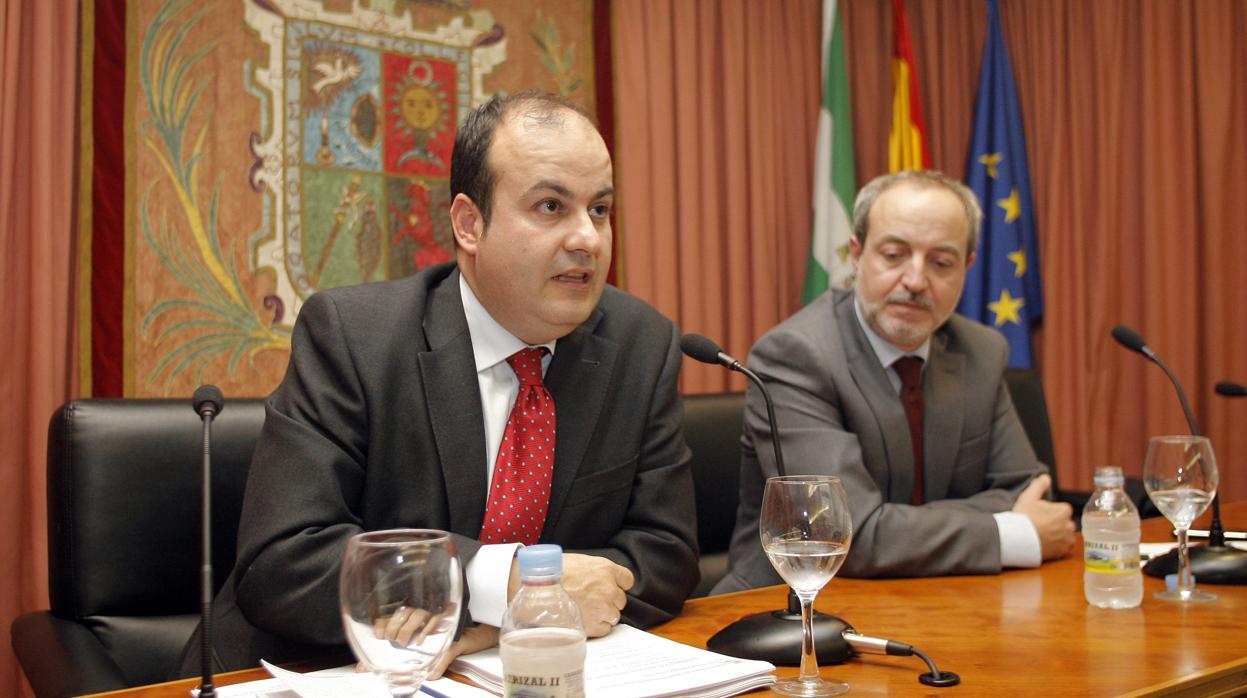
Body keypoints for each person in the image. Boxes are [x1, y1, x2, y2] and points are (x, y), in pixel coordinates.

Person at [182, 91, 699, 676]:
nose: (588, 239)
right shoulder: (353, 339)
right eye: (552, 206)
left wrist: (507, 618)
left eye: (600, 209)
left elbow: (667, 554)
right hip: (312, 672)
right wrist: (499, 585)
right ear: (469, 224)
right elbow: (282, 563)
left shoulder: (640, 344)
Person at [713, 170, 1074, 592]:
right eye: (893, 255)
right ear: (856, 252)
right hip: (797, 613)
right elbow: (850, 536)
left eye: (941, 262)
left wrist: (899, 530)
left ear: (967, 266)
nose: (916, 280)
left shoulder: (981, 351)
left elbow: (1032, 496)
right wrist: (1005, 532)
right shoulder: (796, 355)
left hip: (946, 598)